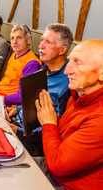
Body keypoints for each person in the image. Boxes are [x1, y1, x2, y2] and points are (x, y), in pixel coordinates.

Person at [35, 39, 103, 189]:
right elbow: (63, 132)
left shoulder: (99, 119)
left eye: (77, 62)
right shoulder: (78, 96)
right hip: (53, 169)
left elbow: (57, 165)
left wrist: (48, 123)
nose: (66, 71)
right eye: (70, 61)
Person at [6, 23, 73, 156]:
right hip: (20, 123)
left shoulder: (69, 82)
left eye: (48, 42)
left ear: (62, 50)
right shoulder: (43, 69)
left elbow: (57, 127)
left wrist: (17, 132)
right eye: (42, 40)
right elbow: (35, 102)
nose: (40, 46)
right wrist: (16, 110)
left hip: (34, 141)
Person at [0, 24, 42, 106]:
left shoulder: (32, 63)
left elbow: (23, 95)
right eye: (12, 38)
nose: (14, 42)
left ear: (28, 40)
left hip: (8, 103)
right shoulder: (14, 55)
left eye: (19, 38)